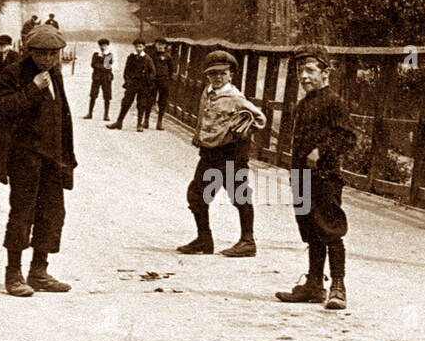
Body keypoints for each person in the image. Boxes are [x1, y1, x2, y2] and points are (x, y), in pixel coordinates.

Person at [0, 25, 76, 297]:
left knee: (52, 213)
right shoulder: (14, 73)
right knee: (22, 213)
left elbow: (62, 116)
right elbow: (4, 107)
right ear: (30, 51)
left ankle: (39, 272)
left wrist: (67, 157)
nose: (48, 59)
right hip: (23, 157)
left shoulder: (55, 74)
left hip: (52, 157)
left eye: (53, 53)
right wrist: (33, 89)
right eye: (42, 53)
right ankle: (13, 274)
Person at [276, 45, 355, 310]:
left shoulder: (333, 101)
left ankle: (338, 287)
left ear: (325, 72)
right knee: (310, 230)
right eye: (301, 71)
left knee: (330, 230)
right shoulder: (303, 104)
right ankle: (313, 285)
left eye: (310, 70)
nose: (304, 76)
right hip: (301, 176)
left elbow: (347, 136)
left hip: (325, 177)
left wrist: (321, 151)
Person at [177, 50, 266, 257]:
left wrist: (243, 128)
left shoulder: (234, 97)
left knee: (239, 195)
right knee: (196, 195)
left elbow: (260, 118)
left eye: (222, 74)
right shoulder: (207, 92)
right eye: (212, 73)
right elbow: (202, 117)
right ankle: (204, 239)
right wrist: (198, 137)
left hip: (232, 154)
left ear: (231, 75)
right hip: (209, 153)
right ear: (207, 75)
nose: (217, 78)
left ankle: (247, 241)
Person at [106, 38, 154, 132]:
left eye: (140, 47)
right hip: (132, 84)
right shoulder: (131, 57)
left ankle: (139, 124)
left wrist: (148, 83)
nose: (138, 49)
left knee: (141, 104)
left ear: (144, 47)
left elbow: (152, 72)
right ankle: (119, 122)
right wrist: (128, 81)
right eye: (137, 47)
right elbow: (126, 71)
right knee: (126, 103)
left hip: (143, 85)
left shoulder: (148, 59)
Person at [147, 39, 174, 130]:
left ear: (165, 46)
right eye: (158, 44)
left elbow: (171, 70)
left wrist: (167, 79)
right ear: (155, 45)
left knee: (163, 102)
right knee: (150, 100)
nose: (160, 46)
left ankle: (159, 122)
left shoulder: (168, 57)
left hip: (164, 81)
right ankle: (146, 120)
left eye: (162, 44)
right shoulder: (151, 56)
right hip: (153, 81)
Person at [85, 38, 114, 120]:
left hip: (106, 78)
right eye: (101, 45)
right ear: (99, 46)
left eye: (105, 45)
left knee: (107, 96)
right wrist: (102, 64)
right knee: (93, 95)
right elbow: (93, 64)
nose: (103, 47)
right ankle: (90, 113)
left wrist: (100, 63)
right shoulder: (96, 54)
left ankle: (106, 115)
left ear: (107, 46)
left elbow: (107, 67)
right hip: (97, 77)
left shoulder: (109, 55)